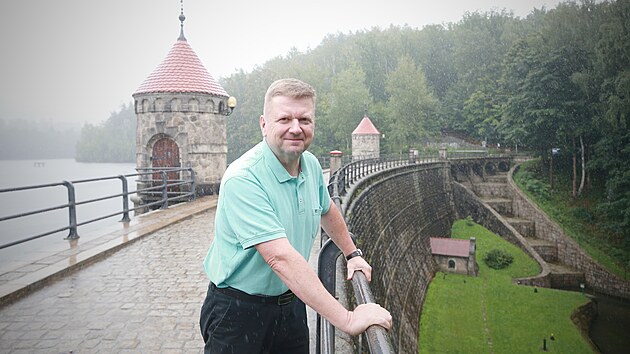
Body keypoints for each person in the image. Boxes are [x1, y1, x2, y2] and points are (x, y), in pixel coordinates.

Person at [200, 78, 392, 353]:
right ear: (264, 124)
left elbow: (327, 210)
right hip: (237, 312)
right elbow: (280, 258)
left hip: (290, 306)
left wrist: (352, 254)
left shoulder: (310, 165)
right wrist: (348, 319)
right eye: (284, 119)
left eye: (304, 119)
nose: (295, 128)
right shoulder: (243, 179)